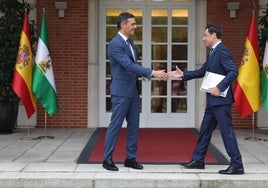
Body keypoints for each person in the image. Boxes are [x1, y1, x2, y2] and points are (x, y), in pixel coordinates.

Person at [168, 24, 244, 175]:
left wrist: (219, 87)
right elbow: (202, 71)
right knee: (205, 130)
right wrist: (183, 75)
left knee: (226, 132)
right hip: (213, 101)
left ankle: (237, 164)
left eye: (205, 35)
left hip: (221, 100)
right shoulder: (213, 52)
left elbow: (233, 71)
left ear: (214, 35)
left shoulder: (222, 51)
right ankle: (198, 160)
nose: (203, 38)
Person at [103, 12, 169, 171]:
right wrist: (152, 73)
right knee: (116, 125)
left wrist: (146, 75)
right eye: (132, 24)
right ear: (123, 25)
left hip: (133, 90)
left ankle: (130, 158)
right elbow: (128, 65)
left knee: (134, 126)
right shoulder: (115, 44)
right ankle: (107, 159)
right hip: (121, 91)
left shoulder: (130, 42)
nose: (135, 26)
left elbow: (133, 66)